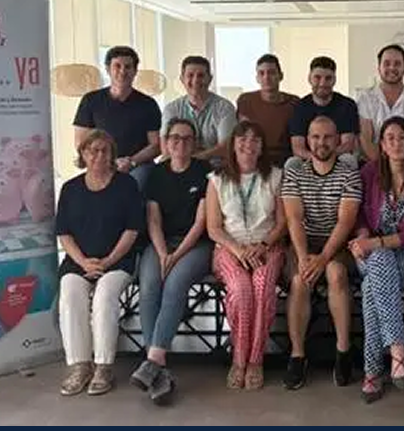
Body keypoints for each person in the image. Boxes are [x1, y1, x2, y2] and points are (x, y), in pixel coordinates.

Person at [348, 117, 404, 402]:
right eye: (390, 138)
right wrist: (363, 237)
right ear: (382, 146)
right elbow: (360, 213)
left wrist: (373, 243)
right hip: (372, 251)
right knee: (379, 263)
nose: (396, 143)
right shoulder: (369, 173)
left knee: (370, 289)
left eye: (402, 137)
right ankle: (397, 350)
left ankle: (373, 372)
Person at [127, 118, 213, 405]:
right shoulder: (156, 174)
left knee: (175, 283)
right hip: (161, 241)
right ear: (166, 142)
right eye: (175, 138)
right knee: (150, 284)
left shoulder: (205, 172)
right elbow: (153, 218)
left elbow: (201, 222)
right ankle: (158, 367)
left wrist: (176, 256)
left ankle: (152, 360)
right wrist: (164, 253)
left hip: (196, 244)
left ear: (195, 143)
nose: (180, 143)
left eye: (187, 138)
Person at [54, 129, 145, 396]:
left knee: (105, 296)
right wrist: (83, 262)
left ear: (112, 155)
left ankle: (103, 366)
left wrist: (106, 261)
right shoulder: (70, 189)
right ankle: (80, 366)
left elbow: (132, 231)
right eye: (92, 150)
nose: (98, 155)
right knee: (70, 294)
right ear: (83, 154)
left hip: (118, 260)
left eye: (105, 150)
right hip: (79, 261)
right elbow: (64, 232)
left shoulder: (127, 185)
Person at [280, 115, 363, 390]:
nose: (322, 142)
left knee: (336, 274)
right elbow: (293, 219)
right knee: (299, 280)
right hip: (303, 241)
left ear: (338, 140)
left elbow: (346, 222)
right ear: (307, 139)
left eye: (328, 137)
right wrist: (304, 259)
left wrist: (324, 258)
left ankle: (343, 351)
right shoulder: (294, 171)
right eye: (316, 136)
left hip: (337, 243)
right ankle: (297, 354)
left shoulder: (349, 171)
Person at [206, 121, 288, 390]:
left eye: (255, 139)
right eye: (242, 138)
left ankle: (255, 360)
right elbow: (214, 228)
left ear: (262, 147)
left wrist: (262, 245)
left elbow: (282, 223)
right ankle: (238, 359)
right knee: (241, 289)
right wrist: (239, 250)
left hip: (267, 246)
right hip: (230, 248)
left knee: (262, 286)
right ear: (233, 144)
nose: (248, 144)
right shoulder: (217, 180)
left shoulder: (275, 176)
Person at [73, 45, 162, 188]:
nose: (122, 71)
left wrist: (131, 161)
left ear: (135, 71)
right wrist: (106, 161)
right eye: (117, 66)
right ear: (108, 69)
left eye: (128, 67)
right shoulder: (90, 101)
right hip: (100, 162)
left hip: (137, 165)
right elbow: (81, 142)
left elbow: (156, 145)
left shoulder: (148, 104)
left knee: (134, 185)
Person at [161, 56, 237, 166]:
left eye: (201, 75)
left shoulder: (224, 107)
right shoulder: (171, 108)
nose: (196, 80)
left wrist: (194, 160)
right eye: (190, 75)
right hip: (180, 167)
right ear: (182, 79)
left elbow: (225, 147)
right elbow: (166, 147)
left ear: (210, 79)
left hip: (214, 167)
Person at [287, 56, 360, 168]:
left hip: (337, 160)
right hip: (308, 160)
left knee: (348, 159)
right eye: (317, 77)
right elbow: (298, 148)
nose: (322, 83)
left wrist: (326, 158)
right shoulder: (299, 107)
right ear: (309, 78)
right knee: (292, 163)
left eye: (328, 78)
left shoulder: (347, 105)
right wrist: (317, 159)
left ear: (334, 80)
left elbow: (347, 144)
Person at [357, 44, 404, 163]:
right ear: (379, 68)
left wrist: (399, 167)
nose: (392, 68)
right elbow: (365, 140)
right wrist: (385, 168)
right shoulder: (365, 98)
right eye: (387, 63)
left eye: (397, 63)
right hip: (374, 163)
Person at [235, 54, 299, 167]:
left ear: (281, 76)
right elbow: (240, 135)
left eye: (271, 72)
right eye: (262, 73)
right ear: (257, 78)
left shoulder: (294, 103)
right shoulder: (245, 100)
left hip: (284, 162)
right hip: (254, 158)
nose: (266, 77)